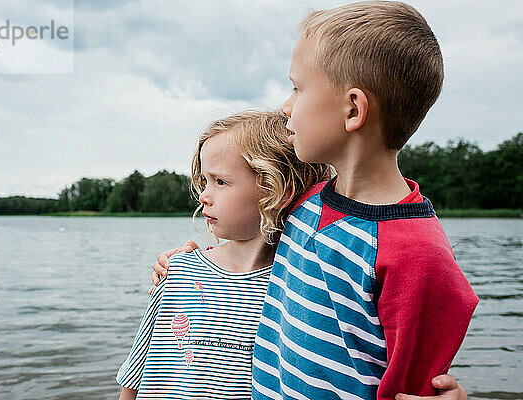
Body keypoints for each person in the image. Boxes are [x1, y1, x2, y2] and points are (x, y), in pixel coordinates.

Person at [151, 2, 479, 399]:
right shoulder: (303, 205)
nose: (286, 107)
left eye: (298, 88)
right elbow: (242, 233)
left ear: (353, 109)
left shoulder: (416, 252)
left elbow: (417, 382)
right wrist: (184, 261)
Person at [116, 110, 331, 399]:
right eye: (204, 181)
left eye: (220, 181)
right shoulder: (177, 270)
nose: (204, 195)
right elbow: (134, 376)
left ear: (275, 189)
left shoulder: (297, 286)